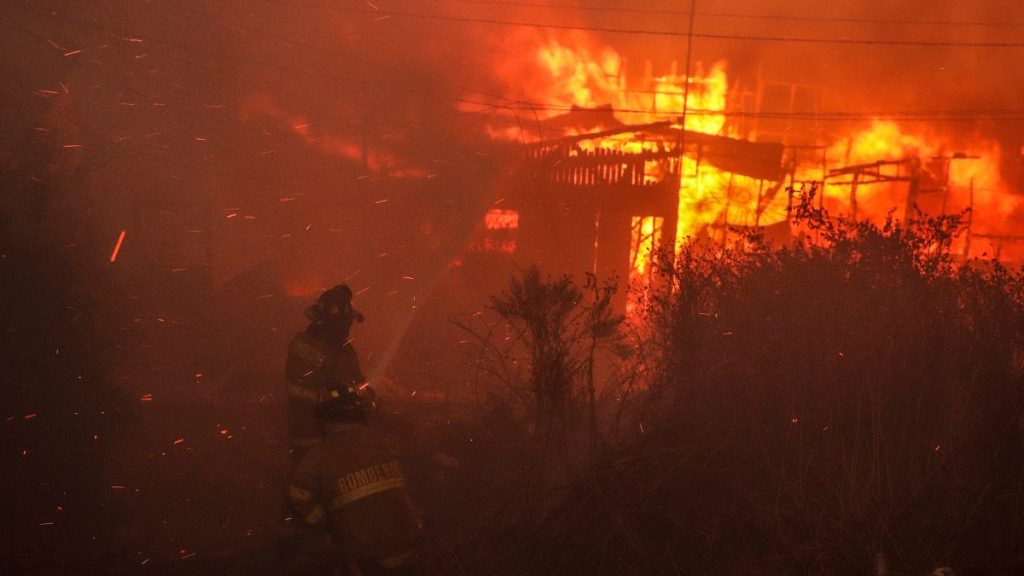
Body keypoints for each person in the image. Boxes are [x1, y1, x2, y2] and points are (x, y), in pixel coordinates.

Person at [287, 385, 424, 575]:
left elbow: (298, 495)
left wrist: (326, 527)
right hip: (410, 543)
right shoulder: (383, 442)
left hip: (365, 555)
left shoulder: (319, 455)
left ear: (325, 421)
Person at [286, 284, 369, 461]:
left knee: (300, 483)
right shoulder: (342, 355)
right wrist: (366, 395)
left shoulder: (299, 341)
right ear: (344, 322)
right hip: (325, 440)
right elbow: (350, 397)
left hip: (295, 432)